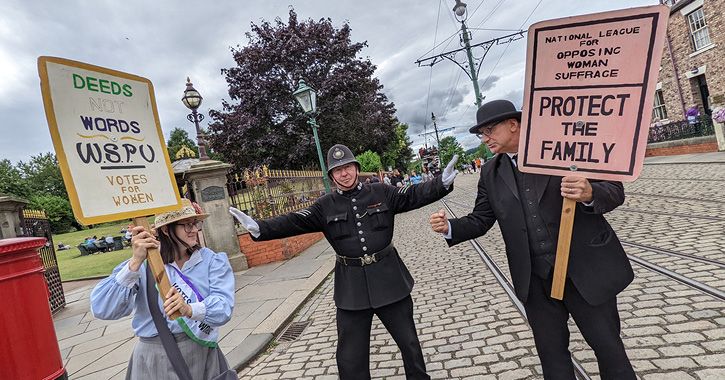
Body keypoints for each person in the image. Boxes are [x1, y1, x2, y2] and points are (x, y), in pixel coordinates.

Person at [429, 100, 635, 380]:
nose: (484, 138)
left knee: (609, 349)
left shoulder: (565, 149)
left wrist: (589, 193)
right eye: (481, 133)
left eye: (489, 129)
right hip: (535, 281)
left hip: (584, 270)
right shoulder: (490, 172)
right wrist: (449, 227)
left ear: (513, 125)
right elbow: (481, 219)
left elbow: (614, 190)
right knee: (552, 358)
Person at [231, 144, 459, 380]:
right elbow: (294, 221)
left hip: (389, 279)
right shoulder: (324, 206)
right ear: (331, 176)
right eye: (338, 170)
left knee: (409, 343)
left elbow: (413, 195)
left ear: (356, 169)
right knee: (350, 357)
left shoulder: (381, 191)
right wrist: (260, 228)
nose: (344, 173)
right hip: (351, 289)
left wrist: (441, 183)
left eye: (348, 167)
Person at [90, 199, 235, 380]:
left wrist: (189, 309)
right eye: (187, 225)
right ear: (166, 230)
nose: (194, 230)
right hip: (154, 358)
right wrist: (135, 261)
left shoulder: (212, 261)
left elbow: (224, 308)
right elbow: (102, 309)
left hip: (202, 351)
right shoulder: (144, 264)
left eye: (196, 224)